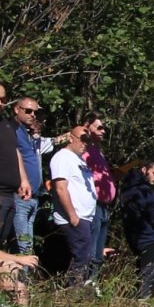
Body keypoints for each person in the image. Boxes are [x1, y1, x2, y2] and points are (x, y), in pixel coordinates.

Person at [51, 120, 101, 286]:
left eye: (88, 140)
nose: (85, 143)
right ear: (70, 138)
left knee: (86, 259)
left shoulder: (79, 160)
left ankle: (77, 295)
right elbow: (60, 188)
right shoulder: (62, 157)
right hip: (75, 218)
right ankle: (72, 297)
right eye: (82, 138)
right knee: (80, 260)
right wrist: (73, 216)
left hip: (86, 217)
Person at [120, 161, 154, 298]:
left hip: (133, 237)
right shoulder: (145, 191)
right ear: (144, 169)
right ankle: (143, 303)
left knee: (139, 273)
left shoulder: (127, 188)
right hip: (147, 238)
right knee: (148, 277)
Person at [0, 83, 33, 255]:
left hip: (9, 196)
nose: (0, 102)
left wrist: (24, 179)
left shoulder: (6, 125)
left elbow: (15, 151)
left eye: (3, 99)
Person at [81, 113, 116, 264]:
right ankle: (85, 282)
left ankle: (93, 282)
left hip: (104, 206)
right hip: (93, 204)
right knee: (91, 248)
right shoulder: (83, 150)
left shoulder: (98, 151)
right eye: (99, 127)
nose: (103, 131)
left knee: (99, 250)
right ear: (88, 127)